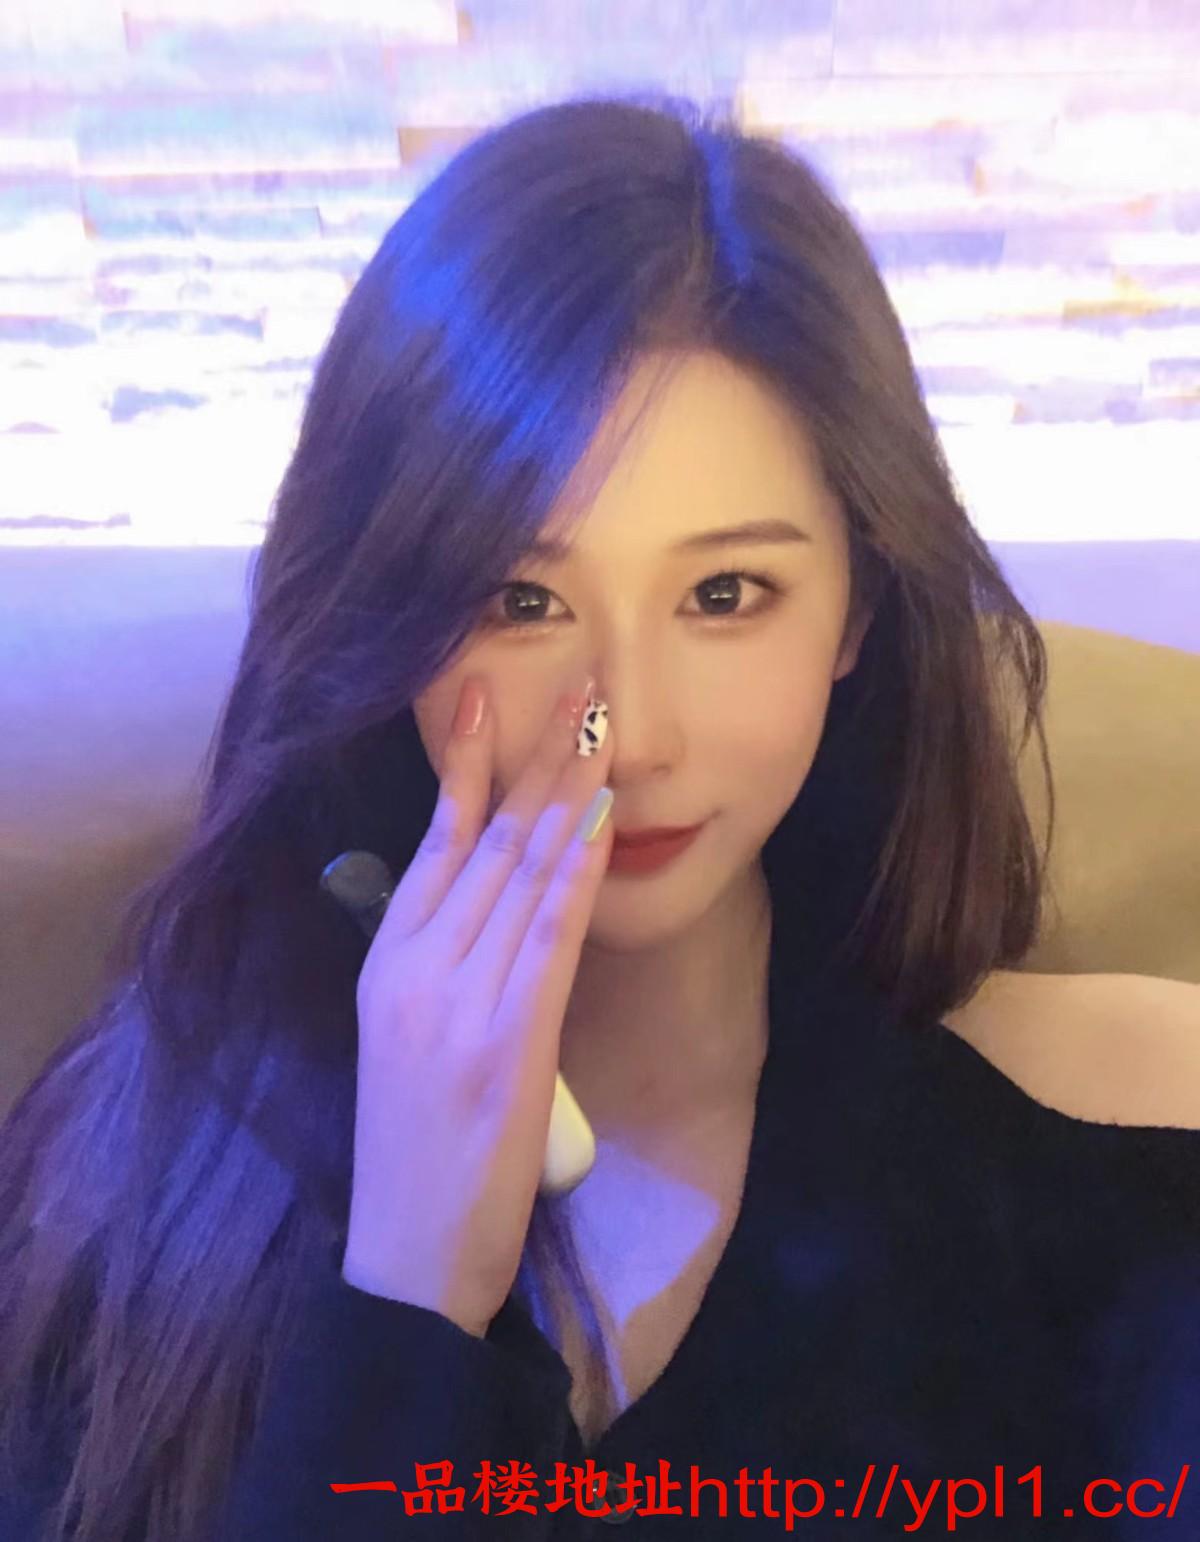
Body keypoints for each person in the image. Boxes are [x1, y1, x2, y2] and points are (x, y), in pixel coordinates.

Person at [1, 91, 1198, 1542]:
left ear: (854, 612)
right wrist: (414, 1282)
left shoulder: (1085, 1201)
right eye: (521, 600)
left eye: (725, 594)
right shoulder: (134, 1175)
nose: (624, 731)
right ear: (388, 615)